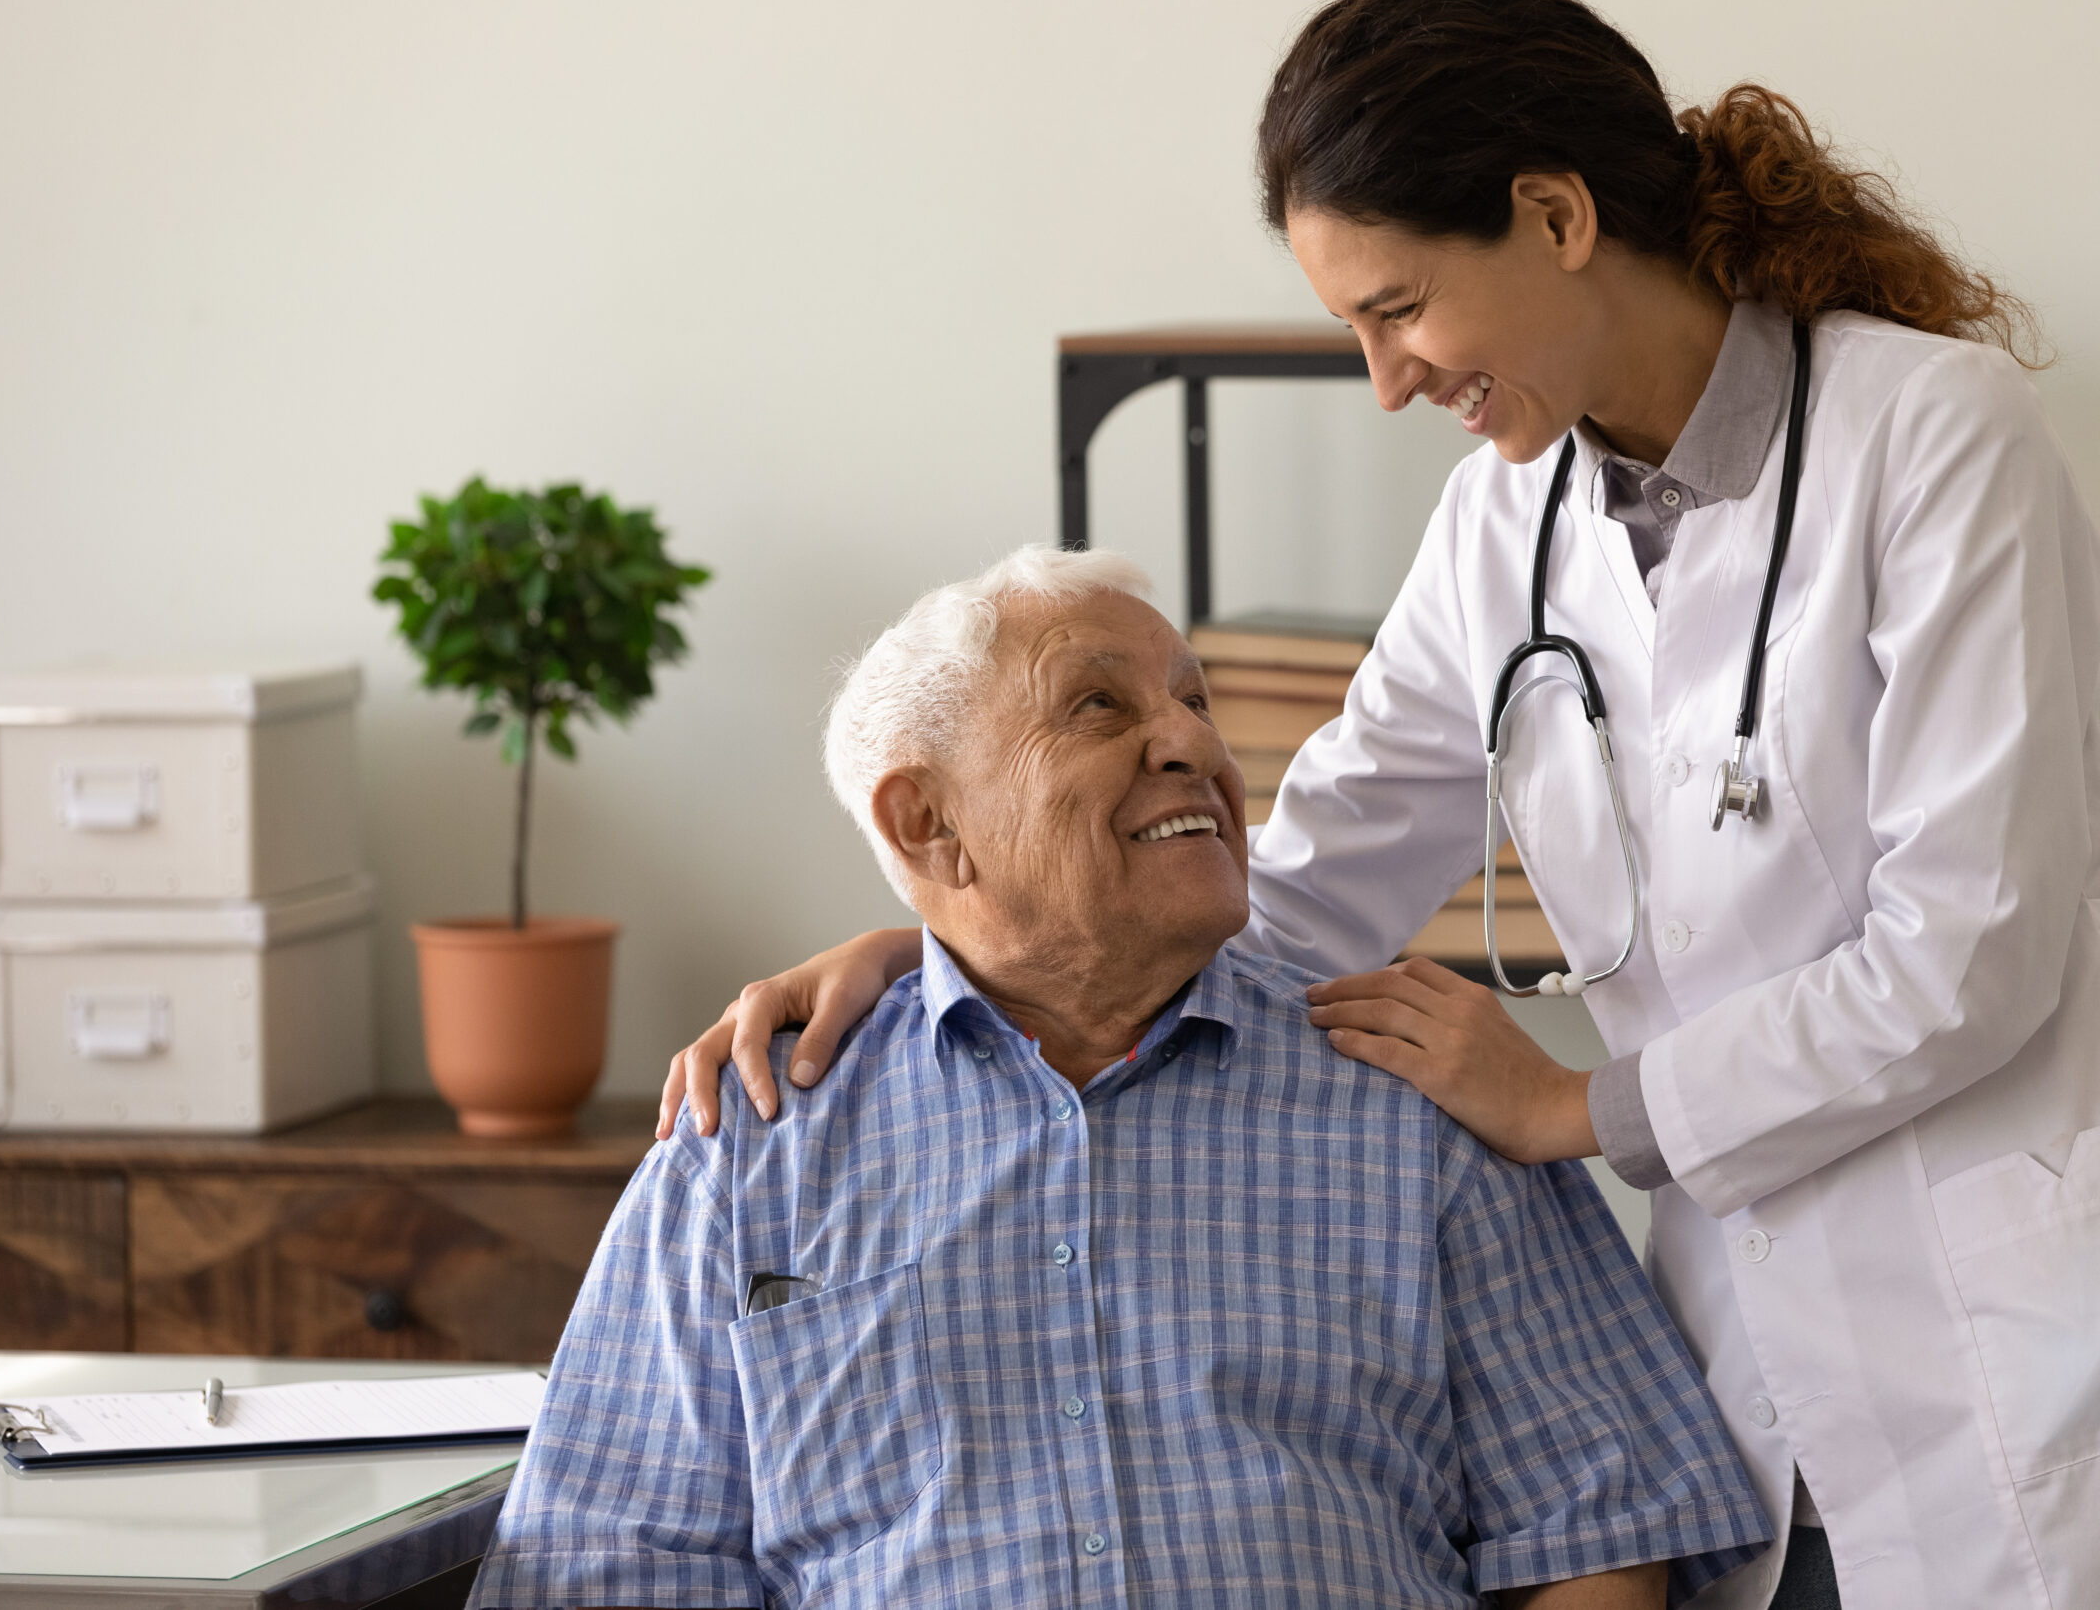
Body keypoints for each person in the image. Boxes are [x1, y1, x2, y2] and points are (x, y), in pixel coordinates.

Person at [660, 0, 2100, 1610]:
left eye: (1400, 308)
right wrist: (940, 956)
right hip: (1764, 1359)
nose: (1390, 378)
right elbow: (1301, 884)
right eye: (1356, 326)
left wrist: (1576, 1110)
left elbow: (1970, 954)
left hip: (2042, 1335)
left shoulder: (1933, 435)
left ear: (1557, 218)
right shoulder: (1509, 524)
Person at [474, 548, 1768, 1608]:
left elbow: (1603, 1524)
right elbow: (604, 1569)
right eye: (1104, 707)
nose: (1192, 746)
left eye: (1196, 703)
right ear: (928, 825)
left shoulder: (1412, 1088)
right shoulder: (747, 1143)